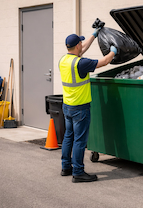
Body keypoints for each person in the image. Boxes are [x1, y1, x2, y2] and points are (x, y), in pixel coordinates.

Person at [59, 28, 117, 183]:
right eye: (81, 42)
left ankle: (66, 167)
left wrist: (95, 34)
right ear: (78, 46)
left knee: (68, 137)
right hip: (80, 109)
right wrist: (114, 51)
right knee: (79, 141)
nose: (82, 45)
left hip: (67, 106)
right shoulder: (81, 63)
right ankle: (78, 172)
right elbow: (105, 61)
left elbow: (82, 48)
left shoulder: (64, 60)